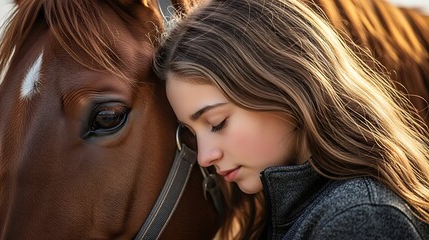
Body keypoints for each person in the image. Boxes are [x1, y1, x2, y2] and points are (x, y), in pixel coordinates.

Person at [153, 0, 429, 239]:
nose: (204, 158)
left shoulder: (361, 218)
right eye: (190, 133)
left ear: (287, 88)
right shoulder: (295, 217)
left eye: (216, 123)